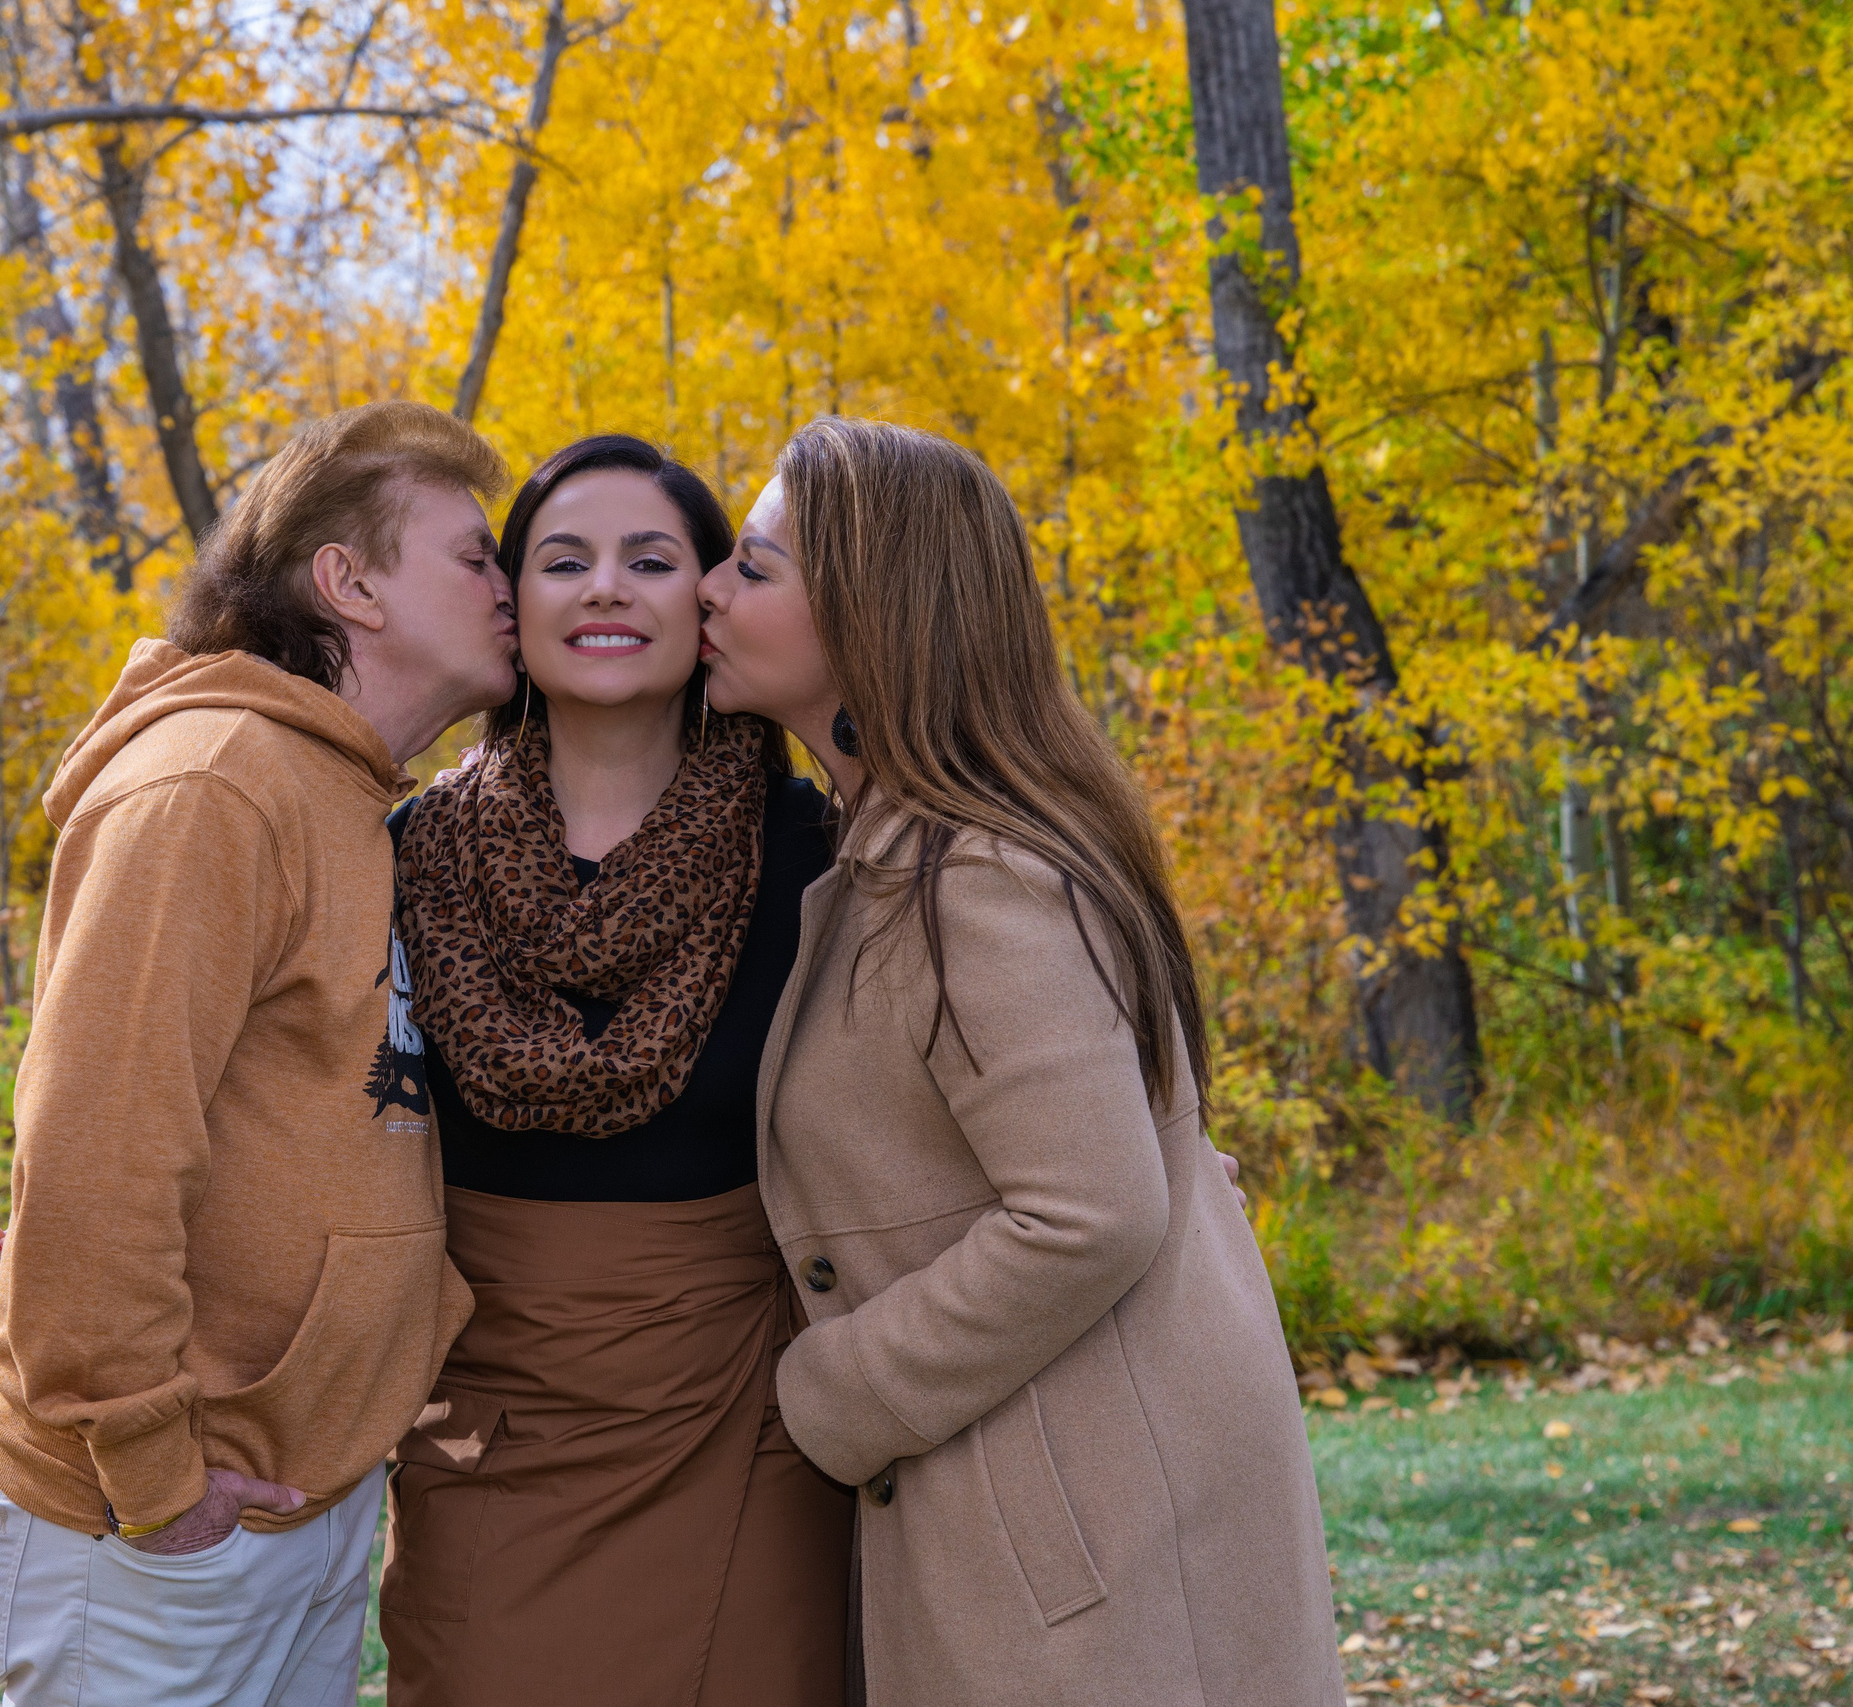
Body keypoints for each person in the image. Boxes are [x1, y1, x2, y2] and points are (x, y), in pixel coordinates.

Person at [694, 416, 1346, 1705]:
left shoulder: (976, 880)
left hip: (1084, 1528)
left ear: (870, 618)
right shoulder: (912, 849)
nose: (710, 587)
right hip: (1064, 1487)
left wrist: (839, 1387)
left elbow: (1091, 1211)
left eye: (755, 568)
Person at [0, 400, 522, 1707]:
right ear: (350, 581)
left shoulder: (351, 798)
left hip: (287, 1496)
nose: (512, 582)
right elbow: (94, 1164)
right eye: (475, 555)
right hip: (150, 1522)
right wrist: (159, 1480)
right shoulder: (213, 780)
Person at [380, 436, 854, 1707]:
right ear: (510, 604)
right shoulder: (399, 854)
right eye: (562, 560)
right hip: (482, 1430)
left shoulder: (826, 853)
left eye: (651, 561)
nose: (604, 589)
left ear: (708, 606)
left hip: (749, 1428)